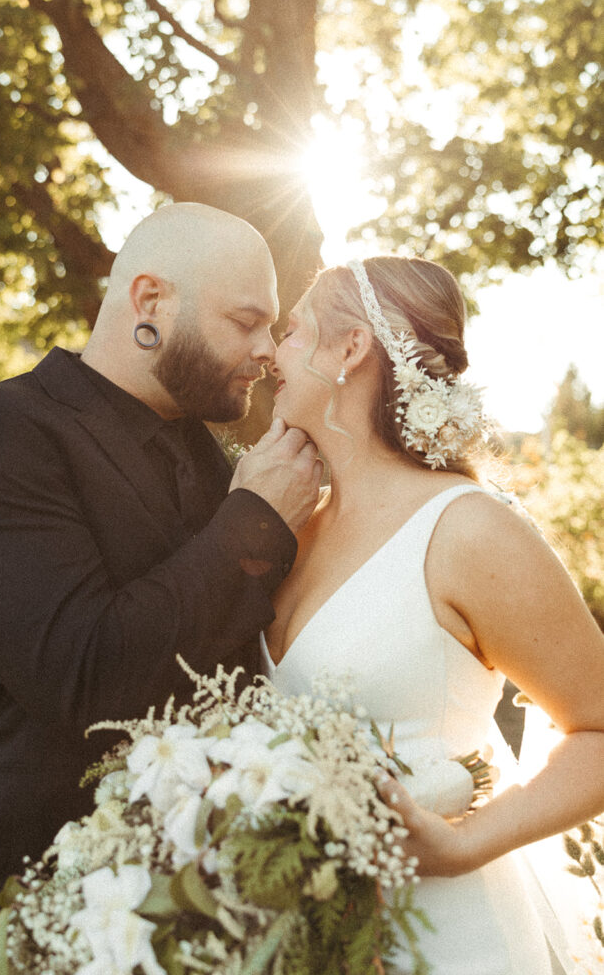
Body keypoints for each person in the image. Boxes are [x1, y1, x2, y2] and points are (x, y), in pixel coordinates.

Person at [0, 202, 323, 975]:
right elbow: (83, 670)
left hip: (224, 914)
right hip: (48, 916)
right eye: (245, 321)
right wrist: (257, 518)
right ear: (149, 303)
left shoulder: (217, 461)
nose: (267, 350)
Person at [261, 256, 604, 974]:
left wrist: (463, 844)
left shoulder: (466, 529)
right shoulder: (285, 528)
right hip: (302, 936)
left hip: (448, 935)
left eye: (291, 330)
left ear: (350, 350)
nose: (269, 351)